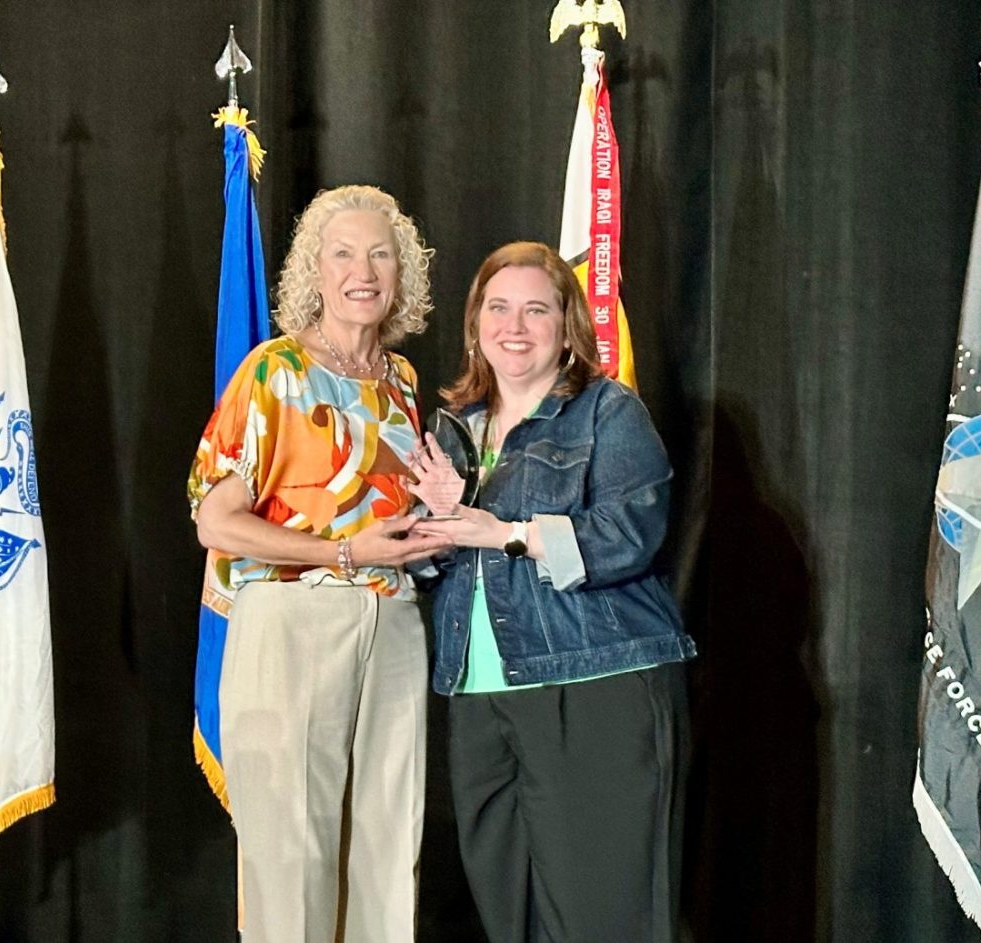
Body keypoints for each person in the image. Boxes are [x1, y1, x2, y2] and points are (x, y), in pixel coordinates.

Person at [408, 240, 696, 943]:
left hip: (595, 684)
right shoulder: (453, 430)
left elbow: (633, 533)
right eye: (498, 308)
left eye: (536, 308)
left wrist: (505, 530)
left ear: (567, 325)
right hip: (478, 698)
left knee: (604, 918)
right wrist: (433, 527)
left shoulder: (607, 412)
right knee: (512, 915)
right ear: (475, 323)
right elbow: (431, 565)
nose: (515, 325)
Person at [188, 185, 446, 943]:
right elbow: (215, 520)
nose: (361, 270)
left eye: (379, 254)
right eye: (342, 253)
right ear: (314, 271)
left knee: (387, 846)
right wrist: (342, 551)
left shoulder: (401, 382)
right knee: (292, 855)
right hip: (292, 624)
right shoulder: (276, 372)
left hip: (393, 622)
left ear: (402, 275)